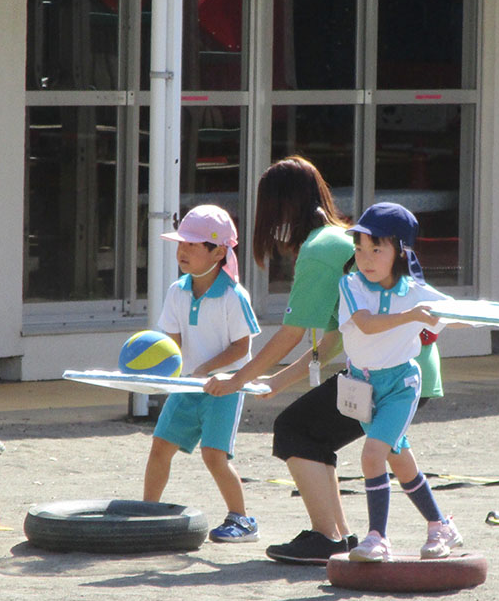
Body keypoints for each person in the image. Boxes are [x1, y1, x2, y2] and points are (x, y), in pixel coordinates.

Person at [204, 156, 447, 565]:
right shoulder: (339, 240)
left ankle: (333, 536)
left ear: (279, 210)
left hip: (390, 371)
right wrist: (277, 382)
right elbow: (336, 338)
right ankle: (356, 535)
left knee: (298, 429)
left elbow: (292, 333)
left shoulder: (319, 250)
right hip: (403, 368)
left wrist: (235, 379)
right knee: (377, 449)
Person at [338, 203, 462, 562]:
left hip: (401, 386)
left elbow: (459, 314)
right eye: (360, 248)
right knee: (400, 460)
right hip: (362, 387)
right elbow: (365, 323)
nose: (366, 258)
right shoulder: (351, 284)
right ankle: (440, 524)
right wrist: (410, 315)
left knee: (372, 454)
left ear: (402, 252)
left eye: (377, 249)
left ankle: (377, 537)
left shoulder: (418, 292)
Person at [142, 204, 261, 542]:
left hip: (225, 388)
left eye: (192, 245)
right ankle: (146, 513)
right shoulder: (176, 291)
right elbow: (172, 346)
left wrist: (207, 370)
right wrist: (157, 367)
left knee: (214, 456)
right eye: (182, 243)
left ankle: (242, 519)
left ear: (219, 251)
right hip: (186, 388)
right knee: (160, 448)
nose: (183, 251)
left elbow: (243, 349)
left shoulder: (234, 296)